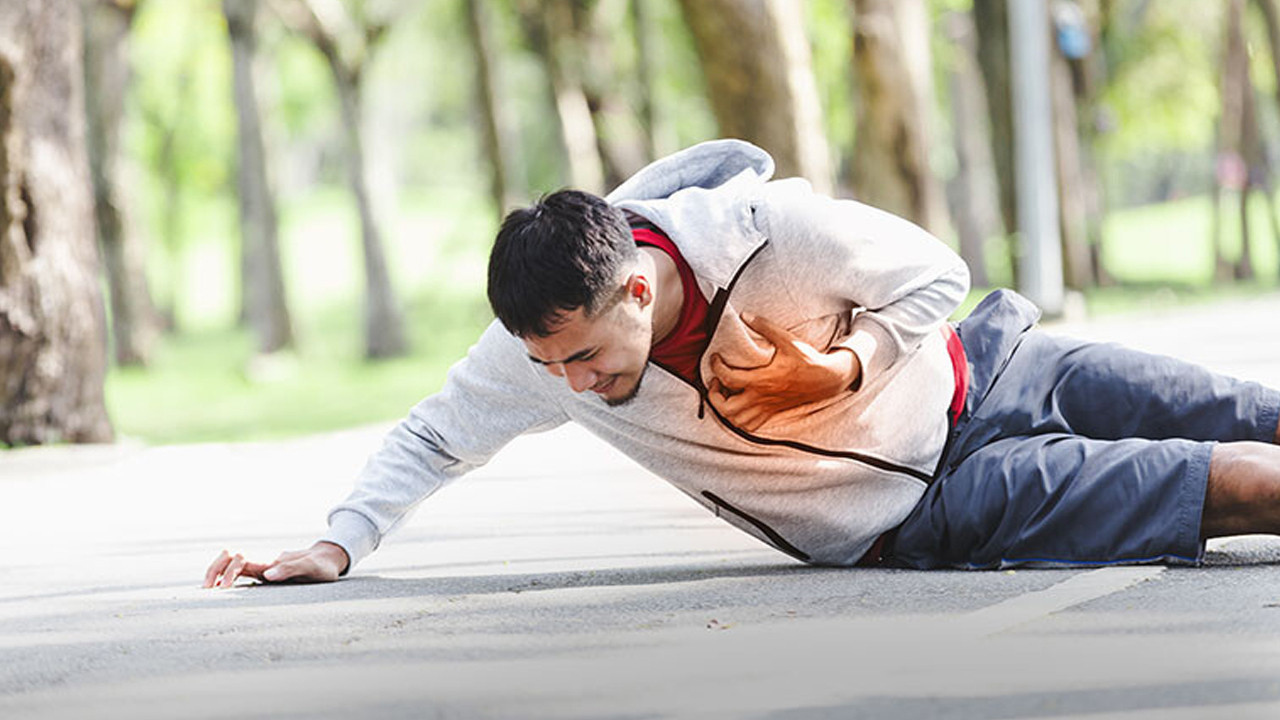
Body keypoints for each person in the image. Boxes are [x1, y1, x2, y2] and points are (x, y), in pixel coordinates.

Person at [205, 139, 1280, 588]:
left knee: (1248, 409)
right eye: (547, 367)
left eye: (580, 356)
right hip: (933, 505)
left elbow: (933, 272)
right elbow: (433, 435)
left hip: (991, 367)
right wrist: (335, 547)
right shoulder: (538, 351)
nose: (568, 385)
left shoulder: (768, 229)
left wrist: (846, 367)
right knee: (1240, 484)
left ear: (634, 287)